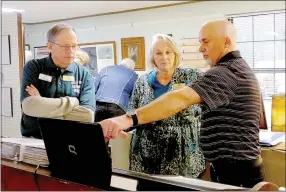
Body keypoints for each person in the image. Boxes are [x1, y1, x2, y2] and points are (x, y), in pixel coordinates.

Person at [100, 20, 264, 188]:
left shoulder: (225, 72)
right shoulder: (234, 69)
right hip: (153, 161)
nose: (201, 48)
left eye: (206, 41)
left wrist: (126, 119)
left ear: (226, 42)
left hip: (234, 171)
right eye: (200, 42)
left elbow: (178, 99)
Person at [126, 34, 205, 178]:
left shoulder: (192, 76)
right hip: (146, 157)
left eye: (168, 52)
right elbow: (131, 112)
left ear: (175, 54)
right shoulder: (142, 81)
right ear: (153, 57)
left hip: (182, 157)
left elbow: (204, 110)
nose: (164, 57)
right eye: (158, 53)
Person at [21, 23, 95, 139]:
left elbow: (87, 116)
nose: (71, 51)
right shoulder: (34, 67)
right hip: (36, 137)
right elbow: (30, 106)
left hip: (71, 139)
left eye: (74, 46)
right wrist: (73, 102)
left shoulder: (84, 74)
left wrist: (42, 103)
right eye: (65, 46)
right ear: (50, 46)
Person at [94, 58, 138, 122]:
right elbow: (134, 97)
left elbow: (93, 89)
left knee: (98, 130)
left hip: (99, 105)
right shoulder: (134, 75)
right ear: (132, 68)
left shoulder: (105, 69)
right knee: (115, 131)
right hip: (118, 107)